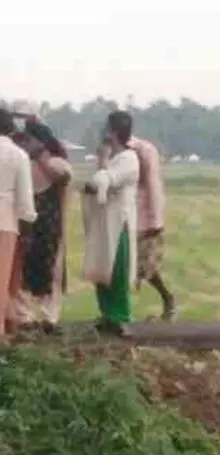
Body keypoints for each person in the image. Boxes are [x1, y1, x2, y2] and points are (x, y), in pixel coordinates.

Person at [80, 111, 140, 334]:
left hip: (118, 222)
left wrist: (103, 161)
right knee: (101, 267)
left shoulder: (128, 158)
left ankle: (120, 316)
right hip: (102, 221)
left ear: (113, 132)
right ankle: (106, 313)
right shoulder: (113, 158)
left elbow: (103, 180)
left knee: (116, 269)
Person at [18, 121, 71, 333]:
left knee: (53, 271)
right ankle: (27, 316)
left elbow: (63, 177)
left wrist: (41, 156)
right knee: (25, 269)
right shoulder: (22, 162)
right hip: (29, 225)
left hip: (52, 226)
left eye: (28, 140)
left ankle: (51, 317)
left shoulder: (57, 163)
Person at [129, 133, 175, 320]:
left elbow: (153, 184)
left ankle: (167, 298)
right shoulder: (118, 149)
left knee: (145, 266)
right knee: (131, 265)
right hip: (128, 215)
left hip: (144, 218)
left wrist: (155, 220)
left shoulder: (143, 150)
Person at [0, 108, 37, 341]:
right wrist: (28, 230)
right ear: (11, 129)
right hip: (5, 222)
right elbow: (25, 202)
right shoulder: (17, 155)